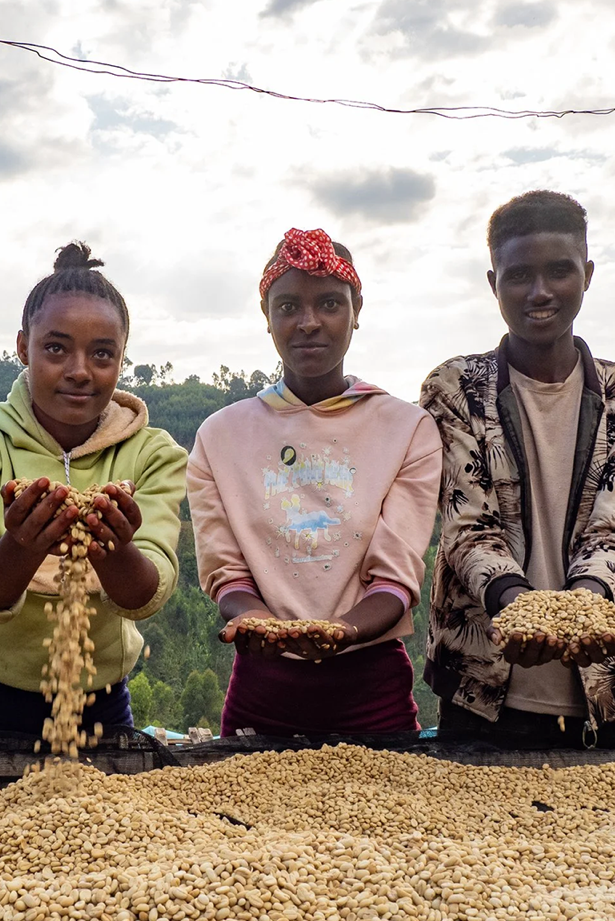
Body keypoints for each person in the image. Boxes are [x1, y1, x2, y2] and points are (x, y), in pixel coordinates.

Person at [420, 190, 615, 746]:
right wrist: (518, 607)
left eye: (560, 271)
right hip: (479, 685)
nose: (540, 292)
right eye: (519, 275)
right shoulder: (454, 388)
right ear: (493, 284)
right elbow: (468, 527)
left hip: (598, 687)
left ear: (588, 273)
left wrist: (581, 611)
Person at [0, 242, 187, 740]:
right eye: (55, 348)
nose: (79, 370)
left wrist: (111, 548)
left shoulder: (155, 454)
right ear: (23, 347)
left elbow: (147, 593)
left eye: (103, 353)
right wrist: (21, 545)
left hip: (99, 707)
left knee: (90, 819)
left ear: (122, 359)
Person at [187, 227, 441, 738]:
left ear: (356, 310)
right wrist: (265, 624)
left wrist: (340, 633)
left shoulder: (406, 429)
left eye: (329, 303)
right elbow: (226, 572)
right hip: (262, 690)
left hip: (373, 691)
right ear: (267, 317)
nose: (308, 323)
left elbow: (395, 576)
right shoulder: (221, 436)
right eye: (287, 307)